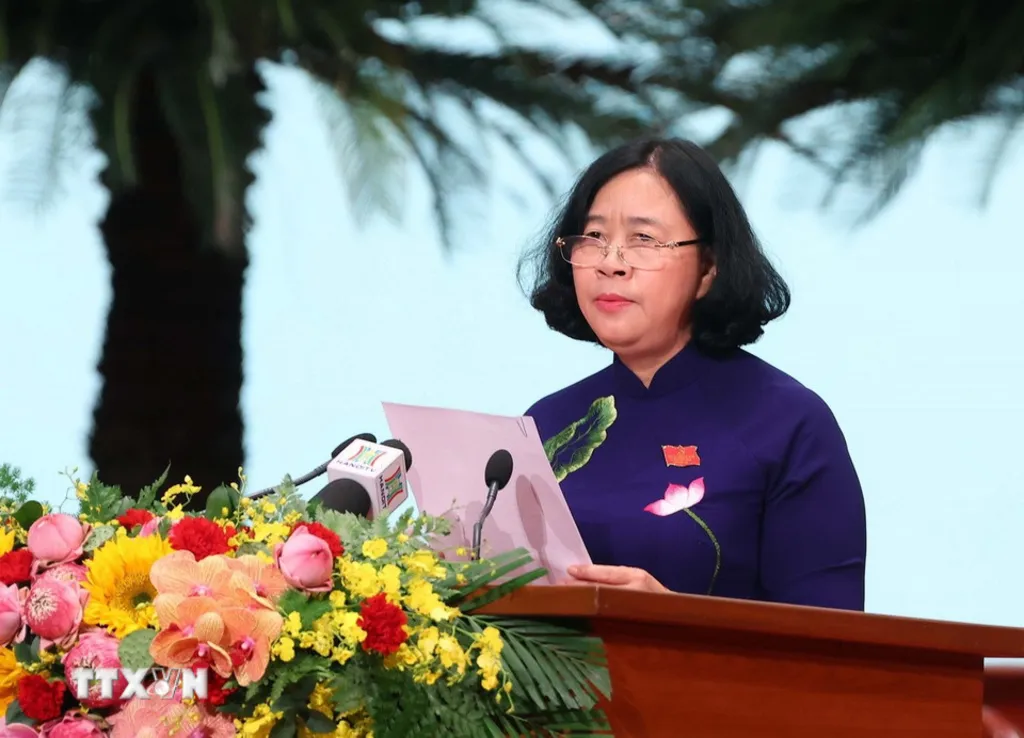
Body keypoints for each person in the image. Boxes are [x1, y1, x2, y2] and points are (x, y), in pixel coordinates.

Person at [520, 137, 867, 611]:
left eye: (643, 240)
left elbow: (833, 638)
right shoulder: (546, 425)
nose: (610, 263)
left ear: (708, 268)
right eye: (594, 237)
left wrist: (671, 619)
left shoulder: (788, 423)